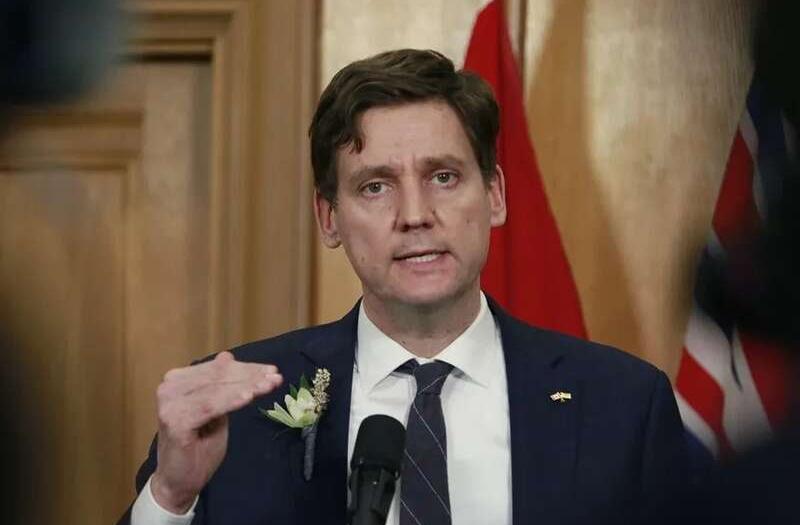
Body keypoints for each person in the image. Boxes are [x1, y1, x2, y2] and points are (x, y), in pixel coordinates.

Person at [117, 49, 686, 525]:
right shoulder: (236, 413)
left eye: (444, 177)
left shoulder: (623, 406)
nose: (415, 215)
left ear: (494, 195)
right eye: (375, 187)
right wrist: (171, 496)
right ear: (329, 218)